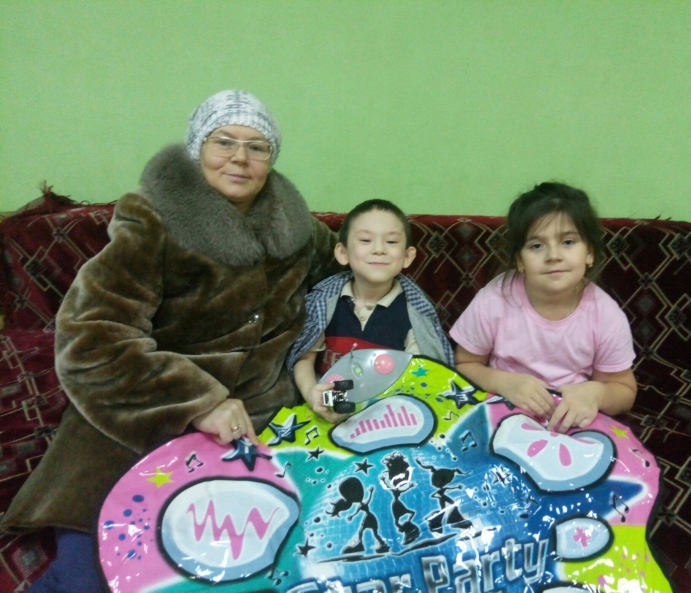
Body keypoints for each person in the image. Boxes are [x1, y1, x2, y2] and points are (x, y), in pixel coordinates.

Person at [1, 90, 339, 593]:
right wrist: (199, 401)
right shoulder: (152, 220)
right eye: (224, 142)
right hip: (141, 422)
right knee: (89, 578)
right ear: (197, 147)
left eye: (257, 146)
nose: (240, 158)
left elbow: (354, 277)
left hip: (259, 430)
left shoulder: (299, 231)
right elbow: (91, 338)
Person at [450, 182, 637, 433]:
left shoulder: (606, 315)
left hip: (570, 423)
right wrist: (504, 383)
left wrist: (596, 393)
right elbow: (463, 365)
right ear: (520, 260)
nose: (553, 255)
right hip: (499, 414)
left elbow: (623, 391)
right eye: (537, 246)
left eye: (568, 242)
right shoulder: (494, 299)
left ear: (589, 253)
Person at [288, 199, 454, 423]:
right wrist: (312, 394)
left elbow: (423, 378)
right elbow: (303, 358)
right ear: (342, 252)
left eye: (391, 241)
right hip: (326, 411)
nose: (379, 250)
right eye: (366, 240)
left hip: (390, 417)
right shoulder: (324, 301)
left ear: (407, 256)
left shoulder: (416, 313)